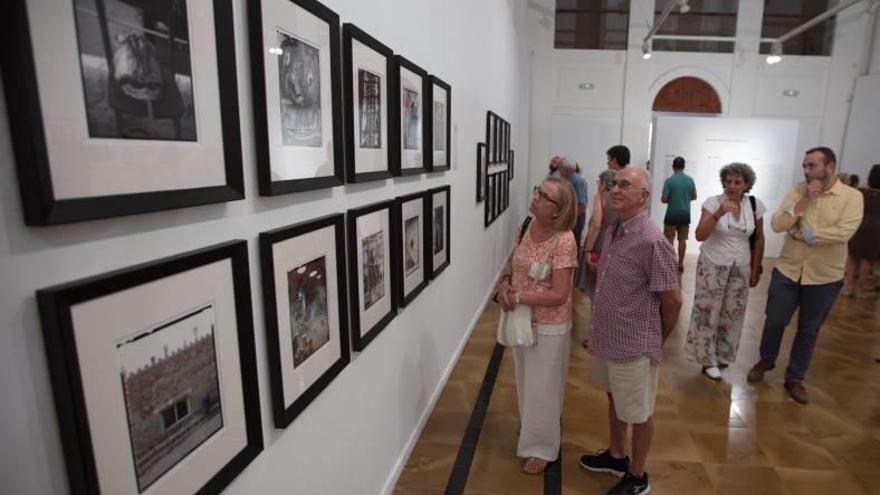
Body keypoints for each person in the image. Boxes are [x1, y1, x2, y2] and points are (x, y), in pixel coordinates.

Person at [579, 167, 682, 495]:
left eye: (625, 185)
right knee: (615, 398)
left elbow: (673, 301)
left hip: (635, 343)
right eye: (614, 184)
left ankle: (637, 477)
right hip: (608, 337)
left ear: (644, 196)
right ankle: (616, 455)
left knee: (639, 412)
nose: (616, 190)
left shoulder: (653, 240)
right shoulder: (614, 228)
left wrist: (656, 342)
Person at [747, 147, 864, 405]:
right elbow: (778, 224)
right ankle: (766, 361)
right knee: (775, 321)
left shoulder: (852, 197)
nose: (806, 170)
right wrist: (802, 204)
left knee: (809, 330)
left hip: (825, 277)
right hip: (788, 270)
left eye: (812, 165)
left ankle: (795, 378)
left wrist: (805, 234)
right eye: (805, 166)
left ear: (829, 166)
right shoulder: (798, 190)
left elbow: (842, 233)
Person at [494, 178, 578, 474]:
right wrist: (505, 285)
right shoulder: (526, 225)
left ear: (557, 210)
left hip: (549, 325)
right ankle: (532, 431)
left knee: (544, 387)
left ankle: (542, 447)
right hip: (521, 319)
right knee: (525, 380)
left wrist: (518, 296)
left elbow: (559, 294)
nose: (536, 196)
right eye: (538, 191)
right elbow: (514, 265)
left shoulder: (564, 239)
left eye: (545, 196)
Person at [685, 163, 765, 380]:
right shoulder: (713, 202)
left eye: (737, 182)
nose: (731, 186)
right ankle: (705, 359)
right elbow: (700, 235)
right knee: (707, 310)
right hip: (713, 262)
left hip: (740, 264)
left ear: (746, 184)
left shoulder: (754, 205)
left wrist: (756, 267)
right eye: (728, 181)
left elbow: (758, 238)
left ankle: (722, 354)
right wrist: (718, 213)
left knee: (733, 312)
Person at [842, 164, 880, 297]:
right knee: (868, 260)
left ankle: (847, 286)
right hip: (876, 230)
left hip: (859, 226)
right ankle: (859, 289)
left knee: (852, 256)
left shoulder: (860, 193)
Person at [661, 156, 697, 271]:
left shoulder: (669, 181)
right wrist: (685, 199)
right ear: (684, 166)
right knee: (682, 240)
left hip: (671, 213)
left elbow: (664, 199)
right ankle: (680, 264)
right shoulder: (690, 180)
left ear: (673, 166)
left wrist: (673, 199)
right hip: (685, 214)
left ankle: (670, 263)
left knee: (669, 240)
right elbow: (694, 196)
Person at [557, 157, 589, 248]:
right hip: (571, 217)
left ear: (567, 169)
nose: (558, 170)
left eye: (560, 168)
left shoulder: (577, 181)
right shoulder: (568, 179)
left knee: (573, 244)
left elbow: (582, 205)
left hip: (576, 218)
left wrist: (569, 216)